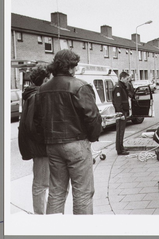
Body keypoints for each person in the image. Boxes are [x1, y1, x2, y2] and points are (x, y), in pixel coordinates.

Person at [34, 49, 102, 215]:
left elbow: (38, 121)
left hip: (53, 145)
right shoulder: (80, 86)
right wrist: (91, 138)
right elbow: (92, 117)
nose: (76, 69)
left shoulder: (43, 89)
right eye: (75, 66)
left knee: (56, 192)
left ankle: (55, 231)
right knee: (82, 193)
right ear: (71, 67)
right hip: (77, 144)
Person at [18, 65, 51, 214]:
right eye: (49, 79)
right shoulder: (38, 96)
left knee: (41, 183)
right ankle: (40, 217)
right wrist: (46, 141)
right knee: (41, 184)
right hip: (41, 148)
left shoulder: (31, 94)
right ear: (45, 80)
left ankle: (42, 215)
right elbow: (33, 126)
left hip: (37, 147)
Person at [112, 72, 131, 156]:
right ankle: (119, 149)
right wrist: (120, 113)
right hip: (121, 112)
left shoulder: (123, 87)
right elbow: (117, 102)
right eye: (127, 79)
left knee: (122, 131)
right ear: (122, 78)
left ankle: (121, 147)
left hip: (124, 111)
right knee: (120, 131)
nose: (128, 81)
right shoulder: (118, 88)